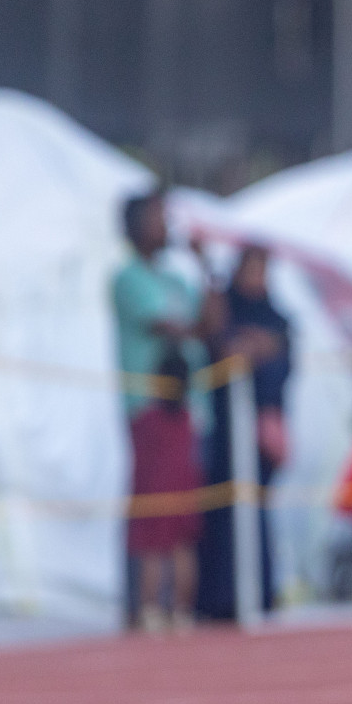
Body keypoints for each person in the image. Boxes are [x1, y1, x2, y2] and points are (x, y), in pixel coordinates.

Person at [112, 189, 220, 627]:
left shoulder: (178, 281)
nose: (165, 224)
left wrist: (206, 267)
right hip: (153, 410)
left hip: (187, 413)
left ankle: (178, 608)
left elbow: (212, 324)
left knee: (183, 518)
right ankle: (146, 607)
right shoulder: (128, 278)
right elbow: (175, 327)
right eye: (157, 216)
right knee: (155, 513)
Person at [196, 244, 293, 620]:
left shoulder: (277, 318)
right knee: (221, 511)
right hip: (223, 432)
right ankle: (216, 597)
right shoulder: (225, 310)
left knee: (256, 509)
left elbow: (278, 358)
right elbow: (219, 344)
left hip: (259, 433)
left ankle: (259, 590)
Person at [126, 349, 204, 634]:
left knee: (154, 553)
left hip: (156, 492)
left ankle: (151, 610)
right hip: (184, 491)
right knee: (182, 550)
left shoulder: (148, 420)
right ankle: (182, 611)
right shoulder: (189, 418)